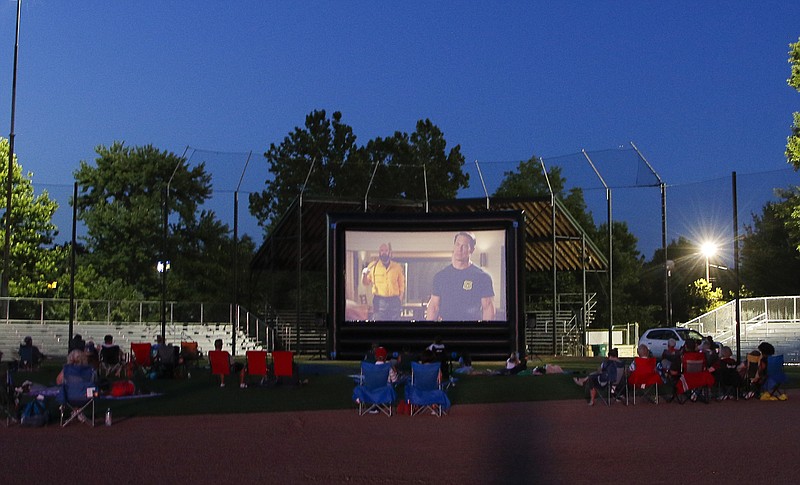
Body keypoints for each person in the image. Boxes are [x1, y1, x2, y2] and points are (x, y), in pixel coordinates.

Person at [426, 232, 496, 321]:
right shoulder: (440, 276)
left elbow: (488, 308)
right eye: (458, 244)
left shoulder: (482, 277)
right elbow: (434, 307)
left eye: (464, 246)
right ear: (454, 246)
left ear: (472, 249)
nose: (460, 249)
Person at [361, 243, 405, 321]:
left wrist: (399, 299)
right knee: (379, 325)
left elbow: (401, 284)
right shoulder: (372, 266)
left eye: (386, 250)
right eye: (382, 250)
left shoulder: (397, 267)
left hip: (394, 301)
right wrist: (364, 274)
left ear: (389, 252)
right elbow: (365, 283)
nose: (384, 252)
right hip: (379, 301)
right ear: (379, 253)